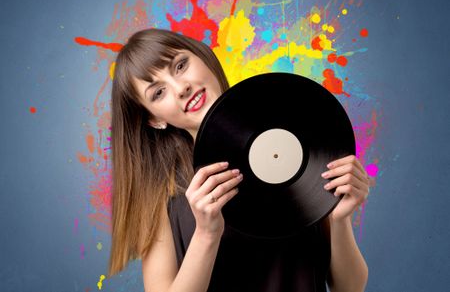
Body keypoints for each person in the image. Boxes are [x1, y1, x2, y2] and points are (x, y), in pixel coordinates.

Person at [108, 28, 370, 292]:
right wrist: (206, 234)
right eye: (158, 93)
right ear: (155, 119)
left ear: (203, 56)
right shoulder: (160, 195)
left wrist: (339, 220)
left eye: (180, 65)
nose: (181, 88)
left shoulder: (296, 136)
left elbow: (349, 287)